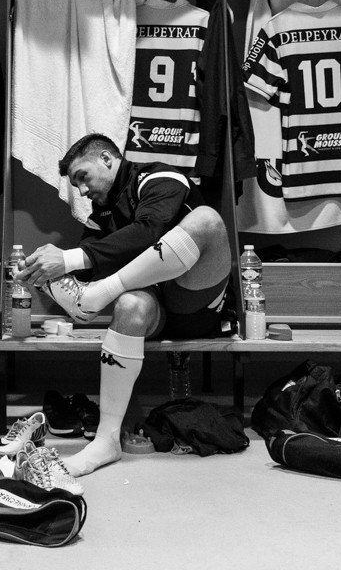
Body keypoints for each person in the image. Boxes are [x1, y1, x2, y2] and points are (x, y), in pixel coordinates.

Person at [17, 133, 231, 477]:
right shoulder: (100, 214)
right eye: (75, 184)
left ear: (106, 159)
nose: (81, 191)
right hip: (155, 309)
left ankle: (101, 294)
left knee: (207, 219)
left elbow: (150, 229)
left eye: (82, 177)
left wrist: (70, 260)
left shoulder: (160, 177)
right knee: (129, 305)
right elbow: (86, 265)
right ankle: (106, 442)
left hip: (196, 301)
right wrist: (42, 274)